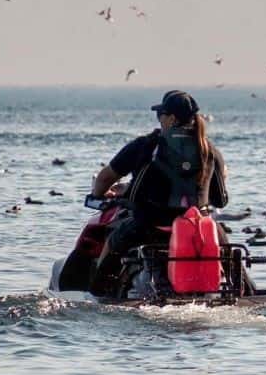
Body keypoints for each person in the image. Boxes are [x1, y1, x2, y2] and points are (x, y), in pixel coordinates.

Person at [88, 90, 229, 293]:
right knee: (229, 253)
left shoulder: (146, 145)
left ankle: (97, 295)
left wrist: (99, 194)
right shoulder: (209, 149)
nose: (158, 119)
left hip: (150, 225)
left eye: (160, 114)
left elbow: (104, 178)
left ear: (171, 118)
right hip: (199, 226)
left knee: (112, 244)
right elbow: (220, 199)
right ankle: (245, 291)